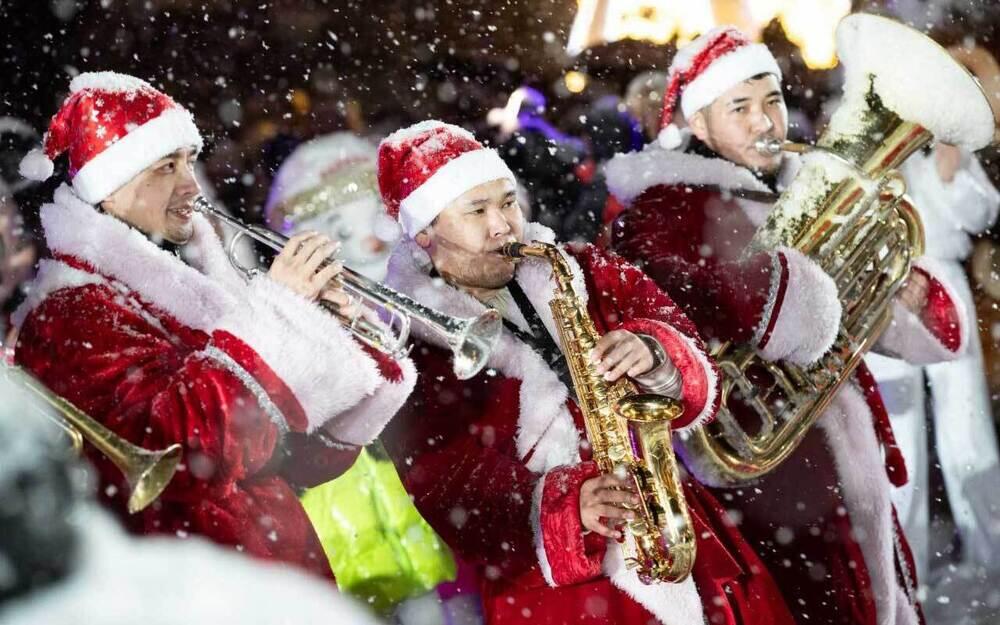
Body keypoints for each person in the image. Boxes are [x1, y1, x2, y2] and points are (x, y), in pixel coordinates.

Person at [606, 26, 974, 625]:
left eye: (773, 101)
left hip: (834, 462)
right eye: (740, 107)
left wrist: (899, 287)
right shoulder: (661, 207)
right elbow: (699, 301)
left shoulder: (782, 196)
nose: (765, 122)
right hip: (767, 489)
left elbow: (850, 322)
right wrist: (798, 288)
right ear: (698, 124)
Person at [376, 120, 794, 625]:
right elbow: (444, 481)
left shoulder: (580, 267)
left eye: (507, 201)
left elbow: (681, 336)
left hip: (676, 532)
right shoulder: (414, 343)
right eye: (477, 211)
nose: (503, 225)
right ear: (425, 232)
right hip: (559, 595)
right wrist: (563, 505)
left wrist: (656, 351)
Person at [11, 71, 416, 580]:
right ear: (109, 189)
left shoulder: (189, 285)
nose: (190, 185)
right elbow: (184, 458)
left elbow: (302, 461)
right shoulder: (72, 311)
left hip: (272, 578)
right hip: (195, 587)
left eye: (190, 162)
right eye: (165, 168)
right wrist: (277, 314)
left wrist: (336, 333)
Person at [0, 371, 383, 625]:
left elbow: (296, 458)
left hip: (269, 557)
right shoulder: (77, 304)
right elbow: (196, 448)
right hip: (209, 555)